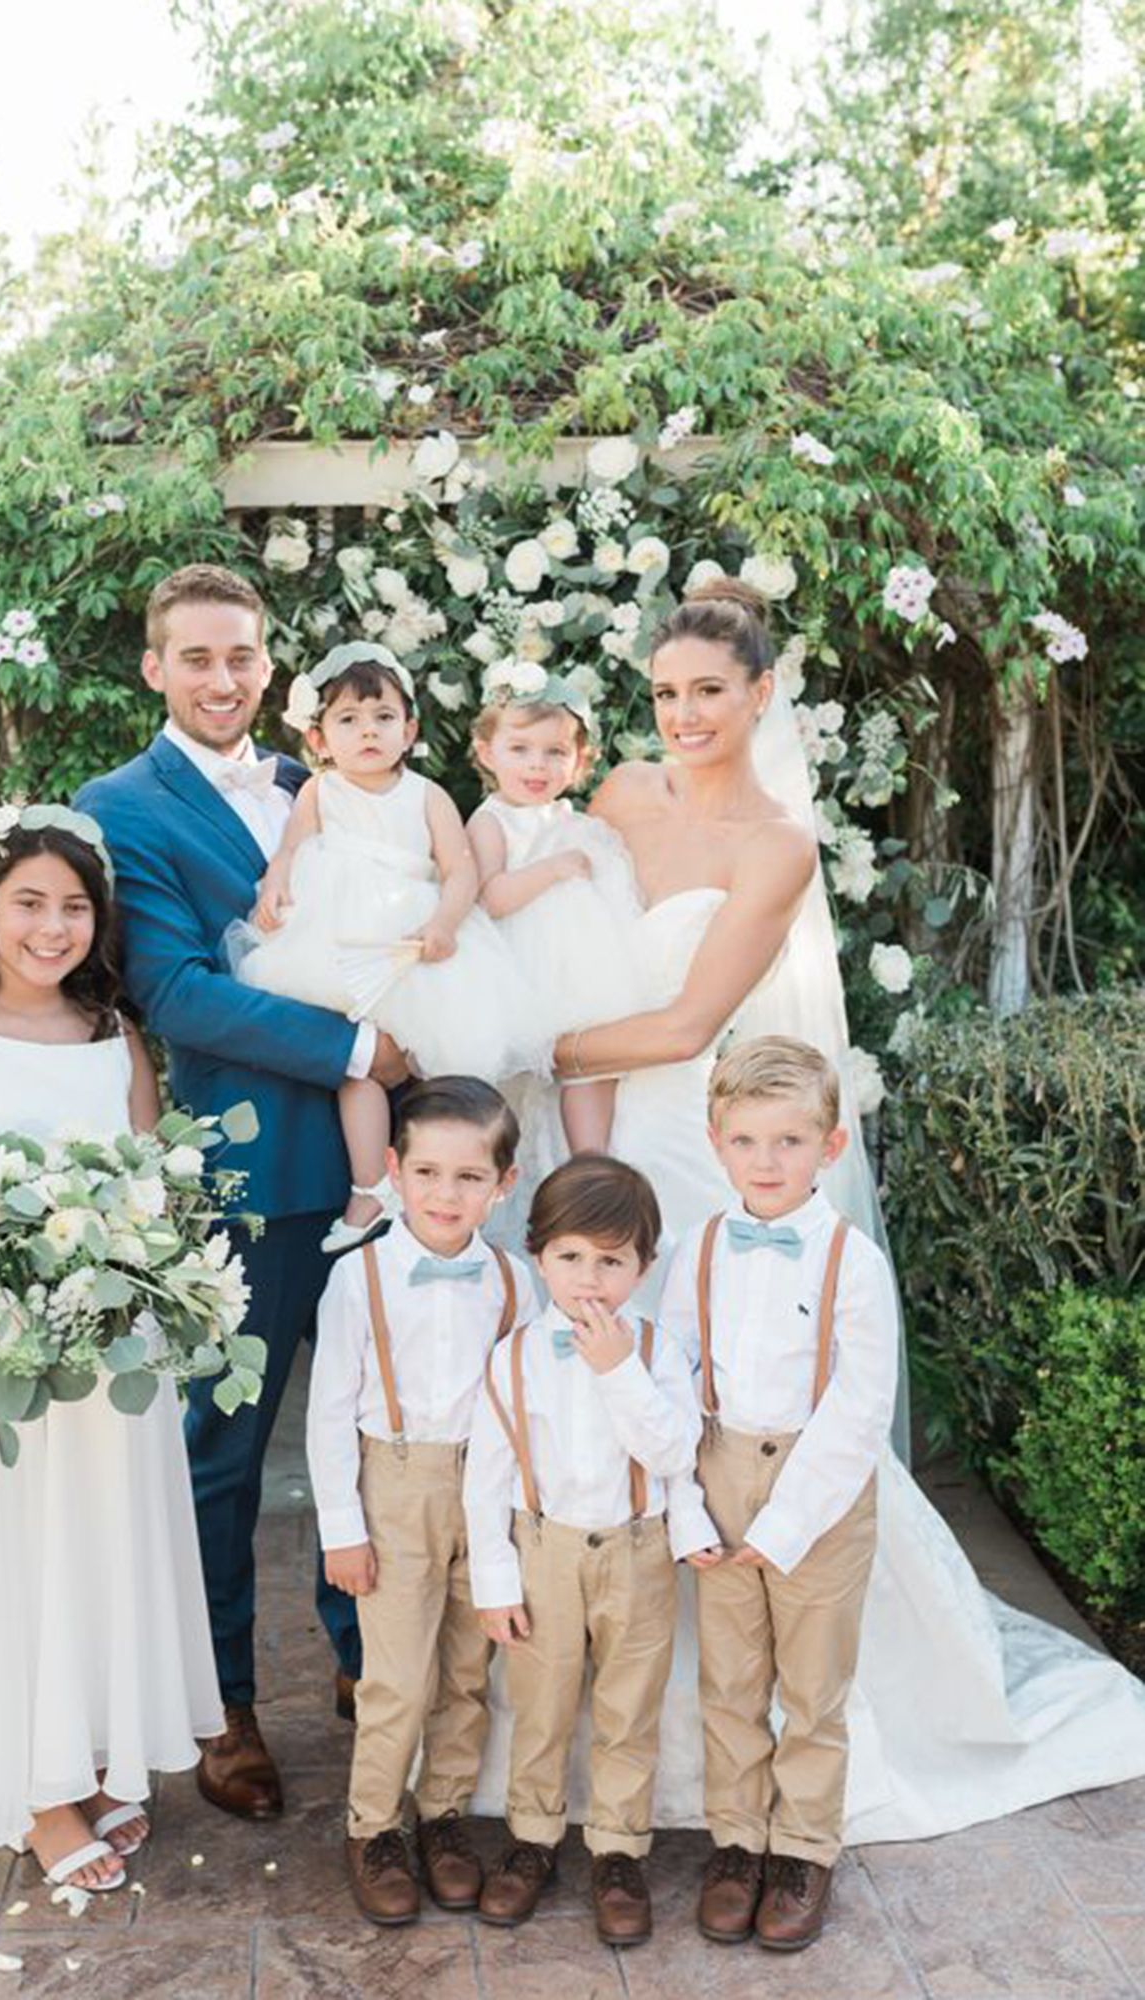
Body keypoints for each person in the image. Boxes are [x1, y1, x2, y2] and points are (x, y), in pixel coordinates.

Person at [473, 571, 1145, 1843]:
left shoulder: (776, 844)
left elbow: (683, 1022)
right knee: (576, 1392)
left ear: (761, 693)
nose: (681, 714)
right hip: (579, 1124)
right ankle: (585, 1690)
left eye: (708, 692)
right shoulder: (613, 792)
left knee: (723, 1398)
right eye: (664, 692)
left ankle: (754, 1713)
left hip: (679, 1132)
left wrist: (521, 1042)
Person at [75, 565, 406, 1823]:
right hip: (246, 1175)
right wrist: (362, 1048)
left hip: (386, 1175)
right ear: (155, 668)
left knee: (386, 1434)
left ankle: (370, 1662)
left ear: (273, 667)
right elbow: (175, 993)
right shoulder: (118, 810)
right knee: (224, 1450)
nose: (225, 679)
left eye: (246, 656)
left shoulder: (329, 781)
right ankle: (222, 1701)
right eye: (198, 657)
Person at [0, 805, 223, 1892]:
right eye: (29, 903)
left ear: (97, 920)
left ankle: (88, 1752)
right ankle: (36, 1792)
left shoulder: (114, 1035)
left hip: (110, 1344)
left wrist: (136, 1254)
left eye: (73, 906)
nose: (52, 926)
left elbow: (157, 1180)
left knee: (100, 1544)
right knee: (12, 1551)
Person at [668, 1038, 897, 1951]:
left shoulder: (855, 1262)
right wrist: (689, 1504)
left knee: (811, 1685)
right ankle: (737, 1841)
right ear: (718, 1143)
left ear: (830, 1148)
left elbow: (860, 1405)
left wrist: (791, 1520)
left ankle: (802, 1848)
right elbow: (675, 1377)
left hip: (821, 1487)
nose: (768, 1163)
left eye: (790, 1142)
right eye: (749, 1141)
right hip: (719, 1465)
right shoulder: (698, 1249)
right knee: (729, 1679)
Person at [307, 1077, 535, 1925]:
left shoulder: (516, 1281)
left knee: (467, 1672)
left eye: (470, 1178)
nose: (447, 1194)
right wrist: (343, 1530)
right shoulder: (357, 1279)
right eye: (429, 1173)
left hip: (490, 1490)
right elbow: (329, 1412)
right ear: (394, 1171)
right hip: (395, 1487)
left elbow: (527, 1400)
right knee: (395, 1676)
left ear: (502, 1185)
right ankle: (374, 1827)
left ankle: (443, 1816)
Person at [233, 642, 547, 1253]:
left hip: (412, 941)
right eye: (348, 720)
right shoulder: (320, 793)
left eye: (382, 717)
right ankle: (370, 1185)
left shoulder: (426, 795)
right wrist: (274, 889)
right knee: (357, 1065)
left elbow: (459, 870)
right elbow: (291, 852)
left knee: (440, 1072)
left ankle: (455, 1188)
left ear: (410, 729)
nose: (367, 732)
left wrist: (446, 924)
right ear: (320, 739)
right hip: (336, 942)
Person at [465, 1155, 703, 1948]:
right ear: (538, 1257)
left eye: (611, 1261)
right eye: (570, 1258)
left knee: (628, 1710)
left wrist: (618, 1372)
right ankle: (533, 1839)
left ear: (643, 1266)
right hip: (543, 1551)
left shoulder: (658, 1350)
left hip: (637, 1554)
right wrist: (496, 1580)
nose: (589, 1280)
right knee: (541, 1704)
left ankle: (618, 1851)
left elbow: (672, 1450)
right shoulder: (513, 1356)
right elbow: (488, 1478)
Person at [467, 680, 643, 1155]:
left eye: (555, 752)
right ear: (487, 752)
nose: (537, 765)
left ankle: (590, 1158)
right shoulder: (491, 821)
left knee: (592, 1058)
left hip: (579, 969)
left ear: (580, 760)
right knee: (517, 1088)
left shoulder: (569, 818)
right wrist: (554, 869)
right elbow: (491, 898)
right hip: (520, 968)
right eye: (520, 749)